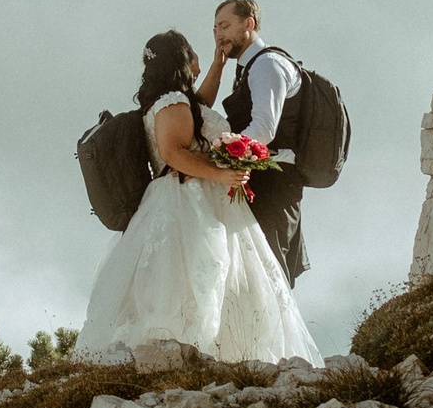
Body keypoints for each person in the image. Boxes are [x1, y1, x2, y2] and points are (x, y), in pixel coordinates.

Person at [76, 30, 321, 365]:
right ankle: (191, 354)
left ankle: (204, 356)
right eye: (192, 50)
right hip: (185, 201)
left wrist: (218, 65)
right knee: (201, 274)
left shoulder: (174, 100)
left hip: (187, 195)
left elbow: (199, 106)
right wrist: (222, 173)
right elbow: (173, 152)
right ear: (182, 58)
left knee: (208, 278)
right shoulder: (173, 103)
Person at [198, 0, 306, 281]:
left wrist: (218, 156)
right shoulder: (250, 67)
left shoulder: (267, 65)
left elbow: (264, 128)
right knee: (256, 270)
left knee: (271, 269)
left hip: (277, 178)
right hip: (263, 176)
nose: (219, 35)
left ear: (249, 23)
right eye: (215, 29)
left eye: (225, 25)